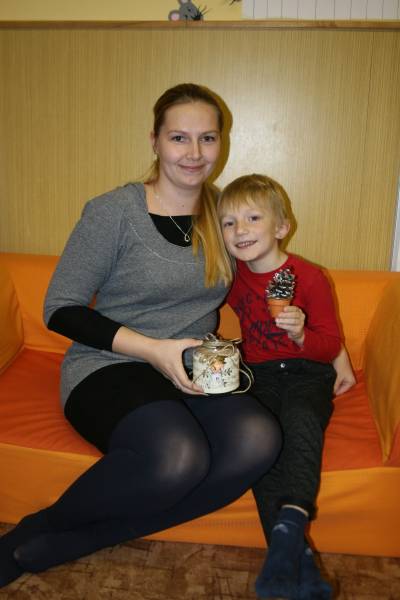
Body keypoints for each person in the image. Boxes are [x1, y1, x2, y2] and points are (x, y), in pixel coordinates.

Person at [0, 84, 283, 588]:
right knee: (178, 458)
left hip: (193, 367)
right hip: (109, 365)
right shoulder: (114, 212)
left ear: (221, 143)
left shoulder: (225, 214)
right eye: (179, 137)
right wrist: (153, 349)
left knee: (258, 440)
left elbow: (271, 280)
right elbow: (59, 309)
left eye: (207, 138)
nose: (194, 153)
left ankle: (77, 540)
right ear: (154, 140)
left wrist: (327, 347)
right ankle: (30, 536)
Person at [218, 174, 356, 600]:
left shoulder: (308, 277)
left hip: (307, 371)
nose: (240, 230)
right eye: (228, 222)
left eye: (252, 218)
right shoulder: (231, 278)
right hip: (259, 376)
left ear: (281, 227)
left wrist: (301, 335)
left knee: (300, 419)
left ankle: (293, 519)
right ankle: (300, 563)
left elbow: (329, 344)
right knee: (261, 445)